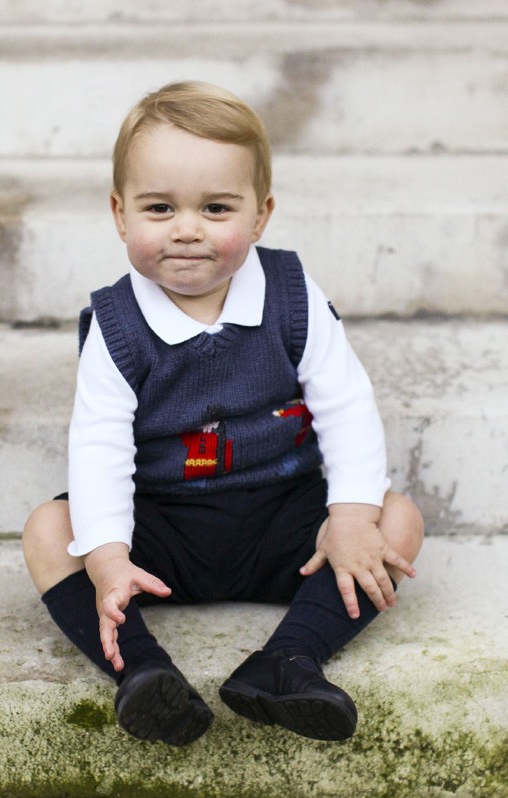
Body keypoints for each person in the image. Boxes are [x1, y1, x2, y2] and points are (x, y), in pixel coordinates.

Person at [23, 81, 424, 748]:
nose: (186, 229)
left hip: (281, 521)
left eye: (215, 208)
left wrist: (350, 519)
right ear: (120, 215)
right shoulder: (118, 327)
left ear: (261, 215)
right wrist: (109, 556)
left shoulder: (292, 296)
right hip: (164, 531)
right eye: (159, 208)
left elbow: (346, 404)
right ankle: (144, 675)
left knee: (398, 517)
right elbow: (98, 446)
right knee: (48, 530)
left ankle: (288, 661)